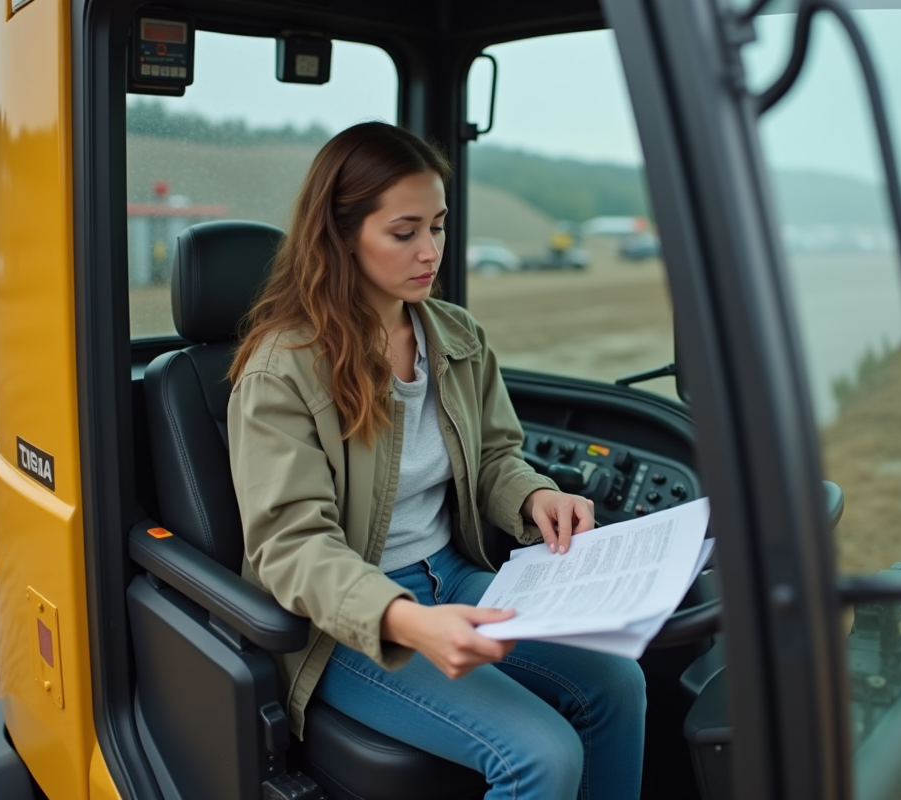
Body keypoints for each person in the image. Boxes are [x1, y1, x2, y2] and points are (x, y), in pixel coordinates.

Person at [226, 121, 647, 800]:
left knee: (617, 681)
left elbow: (494, 458)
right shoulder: (282, 373)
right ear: (342, 236)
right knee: (542, 756)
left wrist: (534, 497)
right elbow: (291, 547)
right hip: (350, 624)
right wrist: (407, 620)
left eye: (440, 226)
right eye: (405, 232)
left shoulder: (456, 334)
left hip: (454, 576)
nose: (431, 252)